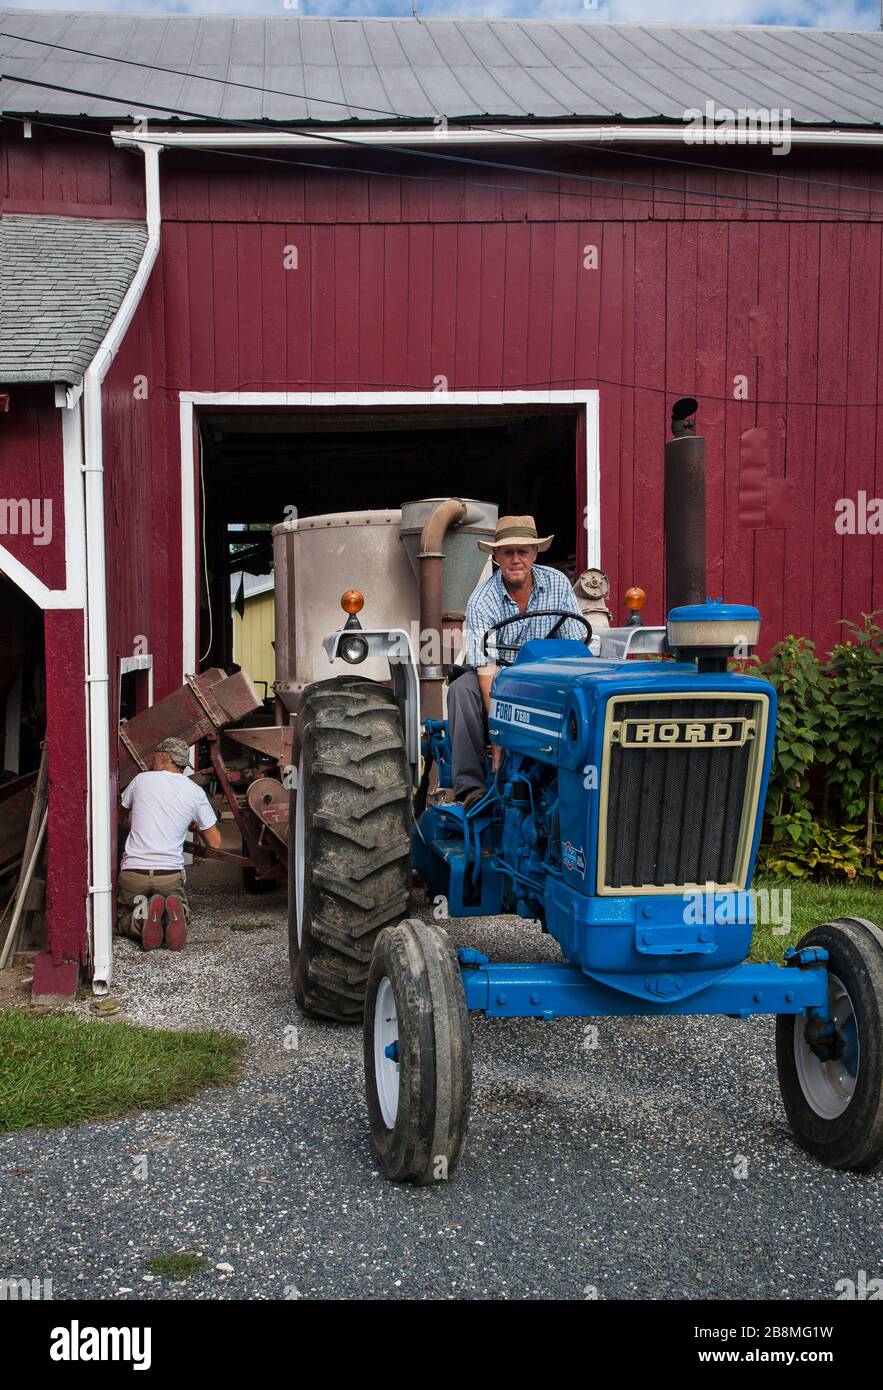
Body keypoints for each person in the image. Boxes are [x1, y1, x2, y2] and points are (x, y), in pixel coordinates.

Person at [447, 515, 586, 808]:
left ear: (535, 553)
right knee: (462, 689)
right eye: (507, 552)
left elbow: (576, 648)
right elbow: (485, 668)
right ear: (496, 557)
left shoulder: (558, 584)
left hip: (547, 677)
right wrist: (497, 737)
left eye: (523, 551)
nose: (515, 559)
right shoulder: (482, 600)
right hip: (501, 679)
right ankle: (471, 787)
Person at [117, 737, 221, 952]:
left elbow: (120, 814)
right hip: (169, 874)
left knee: (123, 916)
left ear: (162, 758)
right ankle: (174, 914)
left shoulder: (141, 780)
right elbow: (215, 842)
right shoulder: (195, 792)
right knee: (174, 904)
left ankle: (141, 922)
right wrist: (193, 827)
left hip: (134, 872)